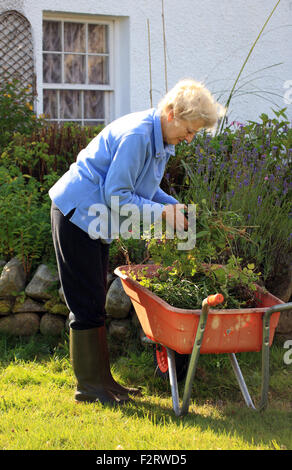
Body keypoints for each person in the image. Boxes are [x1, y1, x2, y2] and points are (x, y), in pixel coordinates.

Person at [49, 79, 224, 405]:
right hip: (76, 214)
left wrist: (171, 205)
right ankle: (89, 388)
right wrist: (161, 215)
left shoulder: (159, 140)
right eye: (188, 130)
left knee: (95, 299)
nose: (189, 138)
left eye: (195, 133)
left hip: (95, 219)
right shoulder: (137, 136)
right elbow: (117, 196)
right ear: (171, 113)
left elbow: (142, 191)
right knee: (85, 303)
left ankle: (104, 383)